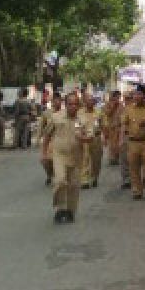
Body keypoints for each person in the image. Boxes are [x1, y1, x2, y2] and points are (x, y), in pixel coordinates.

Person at [43, 92, 87, 223]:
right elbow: (47, 136)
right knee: (60, 181)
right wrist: (44, 153)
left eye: (75, 104)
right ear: (65, 104)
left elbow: (90, 136)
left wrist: (84, 138)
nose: (73, 106)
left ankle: (70, 211)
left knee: (74, 185)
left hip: (76, 156)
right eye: (70, 104)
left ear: (79, 105)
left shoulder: (82, 119)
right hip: (59, 155)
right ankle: (60, 208)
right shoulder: (56, 118)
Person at [123, 84, 145, 199]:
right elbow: (124, 124)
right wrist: (121, 139)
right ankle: (137, 191)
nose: (136, 96)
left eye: (139, 94)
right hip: (132, 142)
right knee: (134, 167)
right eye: (135, 94)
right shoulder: (129, 109)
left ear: (144, 96)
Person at [78, 93, 103, 188]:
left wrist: (104, 136)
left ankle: (94, 177)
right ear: (85, 102)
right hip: (84, 139)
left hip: (96, 138)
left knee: (96, 160)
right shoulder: (79, 113)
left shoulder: (98, 112)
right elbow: (76, 124)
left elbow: (102, 124)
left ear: (94, 102)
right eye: (88, 100)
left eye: (92, 100)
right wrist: (79, 134)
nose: (90, 102)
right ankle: (84, 180)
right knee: (84, 159)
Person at [37, 92, 63, 186]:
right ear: (52, 102)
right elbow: (41, 126)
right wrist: (39, 138)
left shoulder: (64, 113)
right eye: (54, 101)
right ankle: (49, 174)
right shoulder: (47, 113)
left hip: (61, 140)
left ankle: (58, 176)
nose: (57, 103)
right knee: (46, 160)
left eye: (58, 100)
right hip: (50, 140)